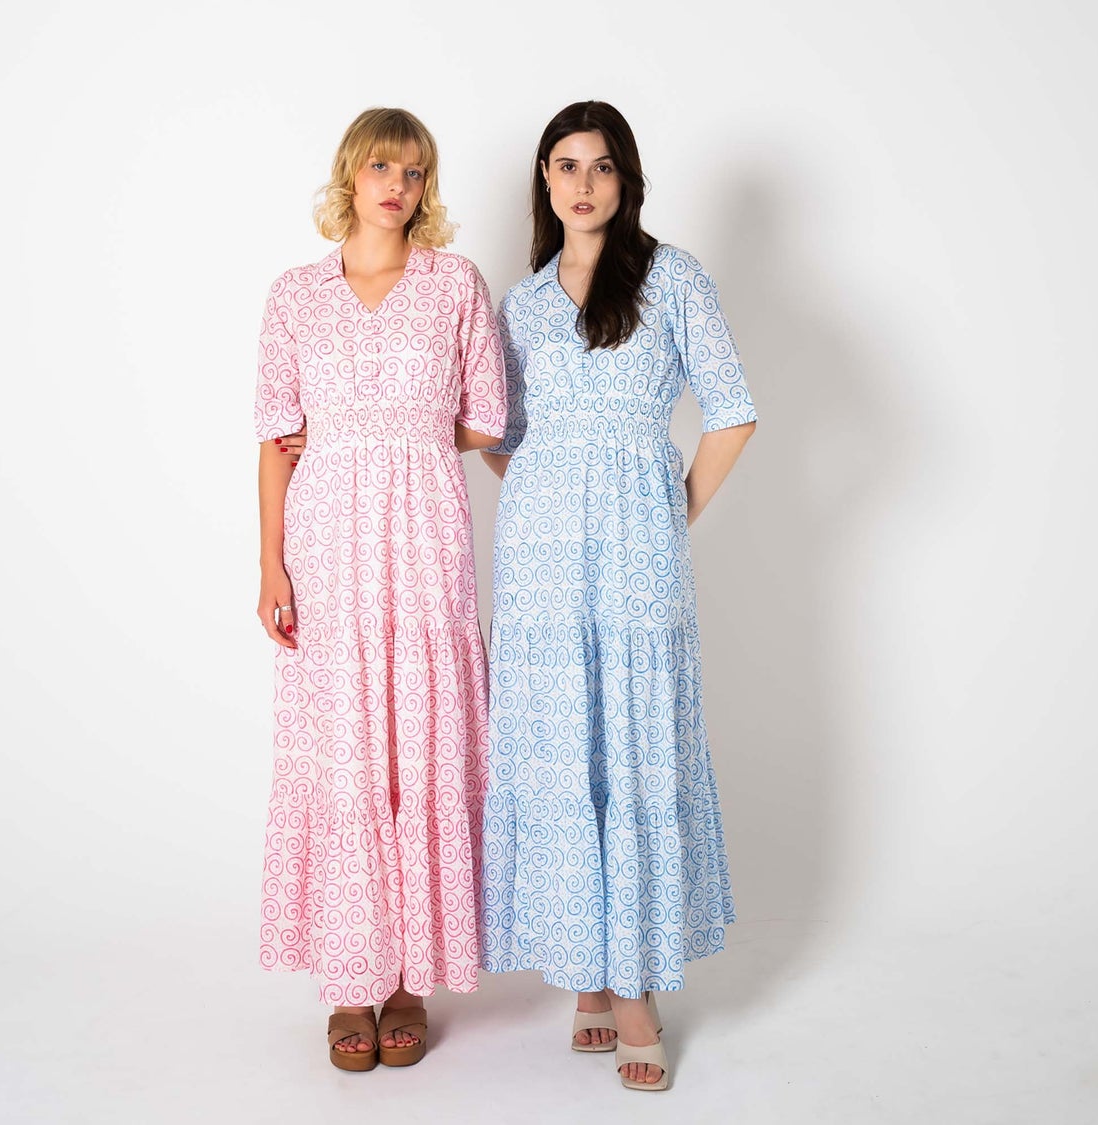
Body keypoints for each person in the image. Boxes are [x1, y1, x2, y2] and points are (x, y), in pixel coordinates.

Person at [478, 100, 758, 1092]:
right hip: (541, 561)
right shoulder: (519, 301)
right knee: (566, 750)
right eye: (564, 165)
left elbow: (729, 413)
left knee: (630, 748)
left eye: (600, 165)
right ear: (544, 182)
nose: (582, 182)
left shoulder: (671, 277)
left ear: (625, 178)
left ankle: (632, 984)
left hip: (638, 549)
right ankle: (588, 980)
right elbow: (498, 435)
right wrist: (553, 499)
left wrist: (669, 507)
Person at [252, 106, 507, 1072]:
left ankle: (407, 980)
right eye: (380, 167)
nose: (396, 186)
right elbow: (274, 441)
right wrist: (270, 563)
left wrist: (392, 433)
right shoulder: (295, 295)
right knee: (347, 748)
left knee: (420, 747)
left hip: (427, 540)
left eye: (414, 171)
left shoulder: (455, 286)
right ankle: (349, 984)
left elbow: (486, 418)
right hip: (327, 544)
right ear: (350, 176)